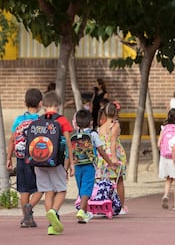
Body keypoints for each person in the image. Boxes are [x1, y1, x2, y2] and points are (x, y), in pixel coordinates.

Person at [34, 91, 74, 235]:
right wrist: (72, 164)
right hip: (55, 161)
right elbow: (69, 143)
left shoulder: (38, 120)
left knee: (48, 192)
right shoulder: (61, 120)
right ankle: (54, 211)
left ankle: (52, 225)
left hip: (39, 161)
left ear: (43, 105)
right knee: (62, 190)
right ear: (58, 105)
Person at [6, 88, 44, 228]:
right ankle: (30, 208)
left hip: (21, 159)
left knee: (24, 190)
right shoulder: (41, 120)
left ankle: (27, 219)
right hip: (37, 160)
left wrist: (9, 158)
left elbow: (12, 140)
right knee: (41, 188)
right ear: (40, 104)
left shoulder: (19, 120)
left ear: (24, 103)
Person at [72, 110, 118, 223]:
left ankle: (85, 212)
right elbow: (101, 150)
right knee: (87, 189)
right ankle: (82, 211)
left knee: (81, 188)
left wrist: (68, 167)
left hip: (77, 165)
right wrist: (111, 163)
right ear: (91, 122)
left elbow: (69, 153)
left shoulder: (74, 135)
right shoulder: (93, 135)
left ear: (77, 123)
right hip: (89, 166)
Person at [96, 102, 128, 214]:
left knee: (105, 181)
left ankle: (104, 204)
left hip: (103, 155)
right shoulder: (115, 125)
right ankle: (121, 206)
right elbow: (113, 142)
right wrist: (114, 158)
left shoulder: (101, 127)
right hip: (113, 154)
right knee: (119, 180)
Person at [158, 108, 175, 210]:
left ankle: (165, 195)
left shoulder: (164, 128)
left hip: (165, 157)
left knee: (168, 179)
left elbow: (158, 143)